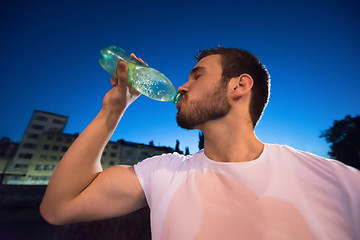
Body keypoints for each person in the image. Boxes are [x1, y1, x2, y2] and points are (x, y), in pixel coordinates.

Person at [40, 47, 360, 239]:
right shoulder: (162, 173)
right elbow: (58, 208)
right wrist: (113, 110)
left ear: (239, 85)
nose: (182, 85)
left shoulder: (338, 182)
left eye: (197, 76)